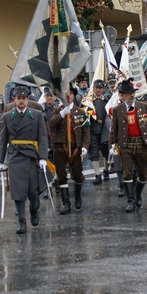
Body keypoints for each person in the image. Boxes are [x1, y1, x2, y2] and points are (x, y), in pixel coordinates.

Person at [0, 85, 49, 234]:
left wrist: (43, 158)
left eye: (23, 99)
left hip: (32, 156)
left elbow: (42, 138)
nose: (20, 101)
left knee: (33, 191)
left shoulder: (37, 115)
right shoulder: (7, 117)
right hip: (15, 157)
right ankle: (21, 221)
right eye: (18, 99)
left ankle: (34, 210)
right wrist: (0, 161)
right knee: (18, 192)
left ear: (27, 99)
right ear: (14, 100)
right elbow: (3, 141)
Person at [108, 78, 147, 212]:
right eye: (128, 93)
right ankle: (130, 201)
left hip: (141, 145)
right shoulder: (117, 110)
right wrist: (112, 144)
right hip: (126, 146)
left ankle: (137, 194)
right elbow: (114, 128)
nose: (131, 95)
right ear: (122, 95)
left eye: (132, 93)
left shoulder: (143, 106)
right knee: (127, 173)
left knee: (143, 175)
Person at [49, 84, 90, 214]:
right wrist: (61, 114)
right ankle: (66, 203)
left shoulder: (80, 111)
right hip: (60, 147)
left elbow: (86, 131)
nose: (69, 96)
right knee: (61, 175)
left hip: (76, 147)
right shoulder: (57, 110)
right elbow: (51, 124)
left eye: (71, 93)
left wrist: (84, 146)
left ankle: (77, 196)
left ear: (73, 95)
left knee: (77, 174)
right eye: (66, 94)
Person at [89, 79, 110, 184]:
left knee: (106, 153)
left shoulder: (106, 101)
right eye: (96, 88)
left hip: (104, 131)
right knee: (94, 153)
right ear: (93, 88)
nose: (98, 90)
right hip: (93, 130)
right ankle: (97, 174)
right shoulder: (89, 101)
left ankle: (106, 170)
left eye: (100, 88)